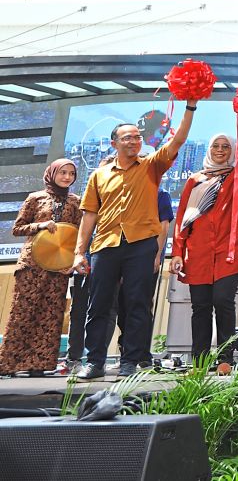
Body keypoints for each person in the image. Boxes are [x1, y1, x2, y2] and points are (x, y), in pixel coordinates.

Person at [72, 105, 201, 380]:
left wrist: (190, 105)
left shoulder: (152, 165)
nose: (133, 141)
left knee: (137, 304)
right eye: (126, 137)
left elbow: (177, 140)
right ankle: (94, 362)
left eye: (136, 137)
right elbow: (89, 215)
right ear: (114, 143)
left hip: (141, 244)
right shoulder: (99, 175)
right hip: (105, 245)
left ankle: (130, 361)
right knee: (98, 305)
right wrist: (79, 252)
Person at [170, 130, 238, 368]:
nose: (221, 150)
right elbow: (183, 218)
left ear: (232, 151)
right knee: (200, 307)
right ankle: (200, 362)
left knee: (223, 302)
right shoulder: (195, 180)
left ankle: (225, 358)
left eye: (226, 146)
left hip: (229, 252)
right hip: (199, 252)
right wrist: (177, 252)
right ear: (210, 150)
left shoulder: (237, 177)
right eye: (216, 146)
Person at [0, 160, 81, 376]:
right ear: (52, 173)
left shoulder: (75, 202)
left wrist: (71, 263)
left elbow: (79, 236)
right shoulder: (35, 198)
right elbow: (17, 228)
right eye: (62, 172)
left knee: (51, 316)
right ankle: (9, 364)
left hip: (59, 267)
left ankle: (40, 365)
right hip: (32, 265)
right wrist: (40, 225)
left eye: (71, 173)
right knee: (23, 313)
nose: (66, 177)